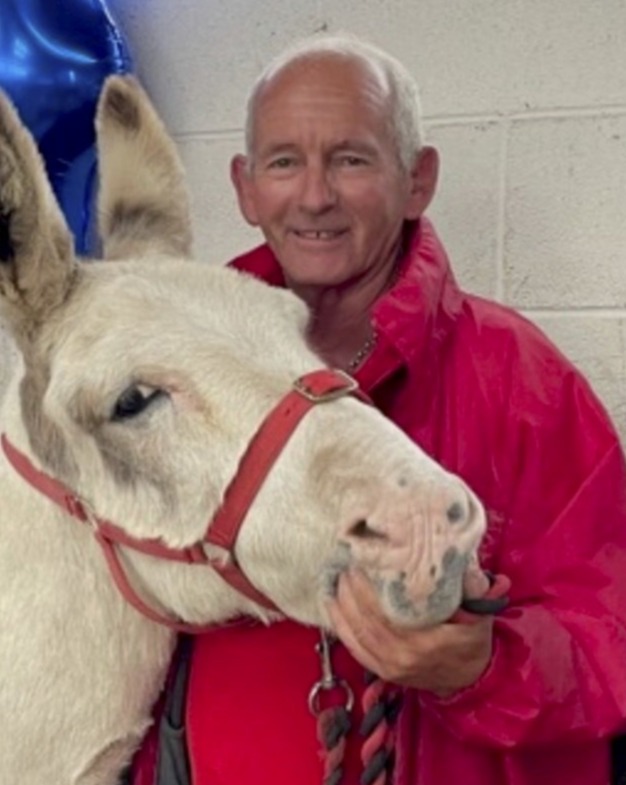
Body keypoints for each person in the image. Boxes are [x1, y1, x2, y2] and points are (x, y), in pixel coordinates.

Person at [131, 34, 626, 785]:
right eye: (284, 160)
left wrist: (486, 663)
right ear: (245, 185)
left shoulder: (524, 381)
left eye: (352, 158)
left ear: (417, 179)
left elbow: (610, 639)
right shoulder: (178, 372)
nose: (315, 195)